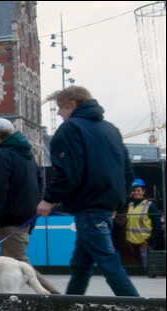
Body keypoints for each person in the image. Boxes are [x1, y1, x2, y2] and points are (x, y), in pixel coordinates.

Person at [37, 86, 139, 297]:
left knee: (108, 260)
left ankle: (140, 310)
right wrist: (116, 204)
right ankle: (70, 307)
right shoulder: (111, 129)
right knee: (81, 264)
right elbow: (127, 171)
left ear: (72, 104)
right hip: (105, 205)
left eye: (60, 107)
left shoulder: (70, 129)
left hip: (89, 206)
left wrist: (49, 199)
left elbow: (68, 172)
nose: (58, 113)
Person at [0, 117, 41, 262]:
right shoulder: (27, 155)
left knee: (16, 263)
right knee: (9, 266)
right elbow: (39, 183)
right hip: (26, 216)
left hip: (10, 218)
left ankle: (45, 286)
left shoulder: (1, 154)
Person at [120, 179, 161, 269]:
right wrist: (127, 237)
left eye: (138, 190)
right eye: (133, 190)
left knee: (146, 268)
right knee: (137, 268)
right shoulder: (130, 206)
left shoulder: (150, 206)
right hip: (132, 244)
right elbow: (129, 223)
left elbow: (157, 226)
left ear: (143, 191)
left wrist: (149, 241)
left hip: (145, 244)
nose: (136, 193)